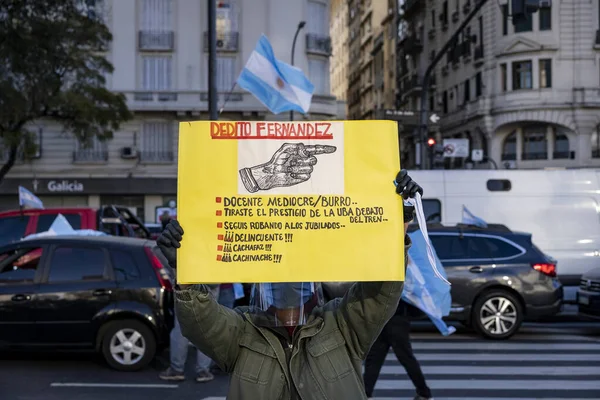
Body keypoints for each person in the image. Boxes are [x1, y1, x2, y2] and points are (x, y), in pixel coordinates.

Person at [157, 170, 422, 400]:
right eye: (277, 275)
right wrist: (185, 272)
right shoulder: (241, 333)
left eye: (297, 274)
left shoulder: (342, 325)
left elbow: (380, 292)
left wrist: (396, 225)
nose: (288, 284)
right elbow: (201, 321)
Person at [363, 299, 433, 400]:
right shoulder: (406, 283)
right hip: (396, 318)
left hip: (383, 318)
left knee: (374, 359)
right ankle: (424, 393)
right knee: (406, 358)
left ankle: (366, 393)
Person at [158, 284, 220, 383]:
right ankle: (203, 371)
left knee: (181, 328)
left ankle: (177, 369)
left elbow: (171, 268)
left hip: (185, 287)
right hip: (208, 288)